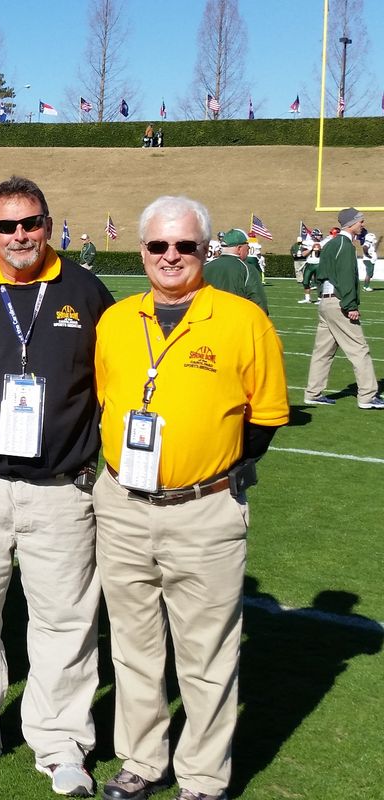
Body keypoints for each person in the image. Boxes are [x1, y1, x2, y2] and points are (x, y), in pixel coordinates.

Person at [93, 195, 289, 800]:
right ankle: (143, 761)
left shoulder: (241, 319)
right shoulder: (117, 320)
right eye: (158, 245)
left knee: (206, 654)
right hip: (123, 504)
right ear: (142, 248)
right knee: (133, 647)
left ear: (204, 250)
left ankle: (204, 778)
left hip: (204, 509)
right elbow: (106, 399)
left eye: (185, 245)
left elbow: (265, 419)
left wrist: (208, 467)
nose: (171, 256)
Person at [0, 176, 114, 796]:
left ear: (49, 224)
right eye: (6, 226)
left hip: (62, 488)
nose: (20, 236)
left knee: (64, 620)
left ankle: (61, 742)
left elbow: (108, 381)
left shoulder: (84, 291)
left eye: (31, 223)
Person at [303, 208, 384, 410]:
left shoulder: (331, 244)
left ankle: (313, 393)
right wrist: (350, 305)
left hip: (326, 301)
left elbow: (321, 274)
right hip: (339, 303)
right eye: (360, 221)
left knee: (323, 352)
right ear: (350, 224)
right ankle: (367, 395)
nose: (362, 224)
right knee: (359, 349)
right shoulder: (345, 245)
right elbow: (346, 276)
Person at [202, 228, 268, 315]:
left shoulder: (204, 267)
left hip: (208, 322)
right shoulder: (247, 269)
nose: (248, 248)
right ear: (239, 248)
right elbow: (259, 303)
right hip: (237, 322)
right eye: (247, 245)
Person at [298, 237, 320, 303]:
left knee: (319, 282)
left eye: (319, 235)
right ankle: (307, 298)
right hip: (309, 264)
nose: (318, 237)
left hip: (318, 264)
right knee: (305, 282)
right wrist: (311, 249)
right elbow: (303, 254)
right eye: (317, 235)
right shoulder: (308, 243)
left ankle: (320, 298)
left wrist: (319, 249)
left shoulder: (322, 242)